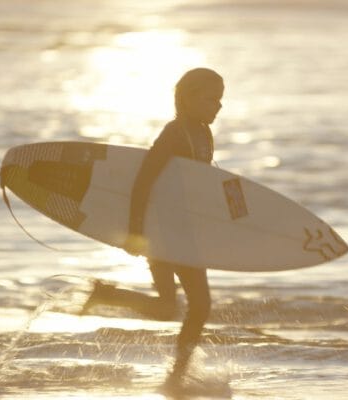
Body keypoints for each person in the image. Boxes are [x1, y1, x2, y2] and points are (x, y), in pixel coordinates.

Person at [81, 67, 224, 390]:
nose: (218, 106)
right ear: (187, 99)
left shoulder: (204, 133)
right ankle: (177, 376)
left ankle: (107, 295)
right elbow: (143, 181)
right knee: (198, 306)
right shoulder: (174, 134)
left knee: (167, 308)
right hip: (163, 232)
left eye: (220, 99)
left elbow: (198, 185)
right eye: (211, 98)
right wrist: (136, 231)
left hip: (186, 231)